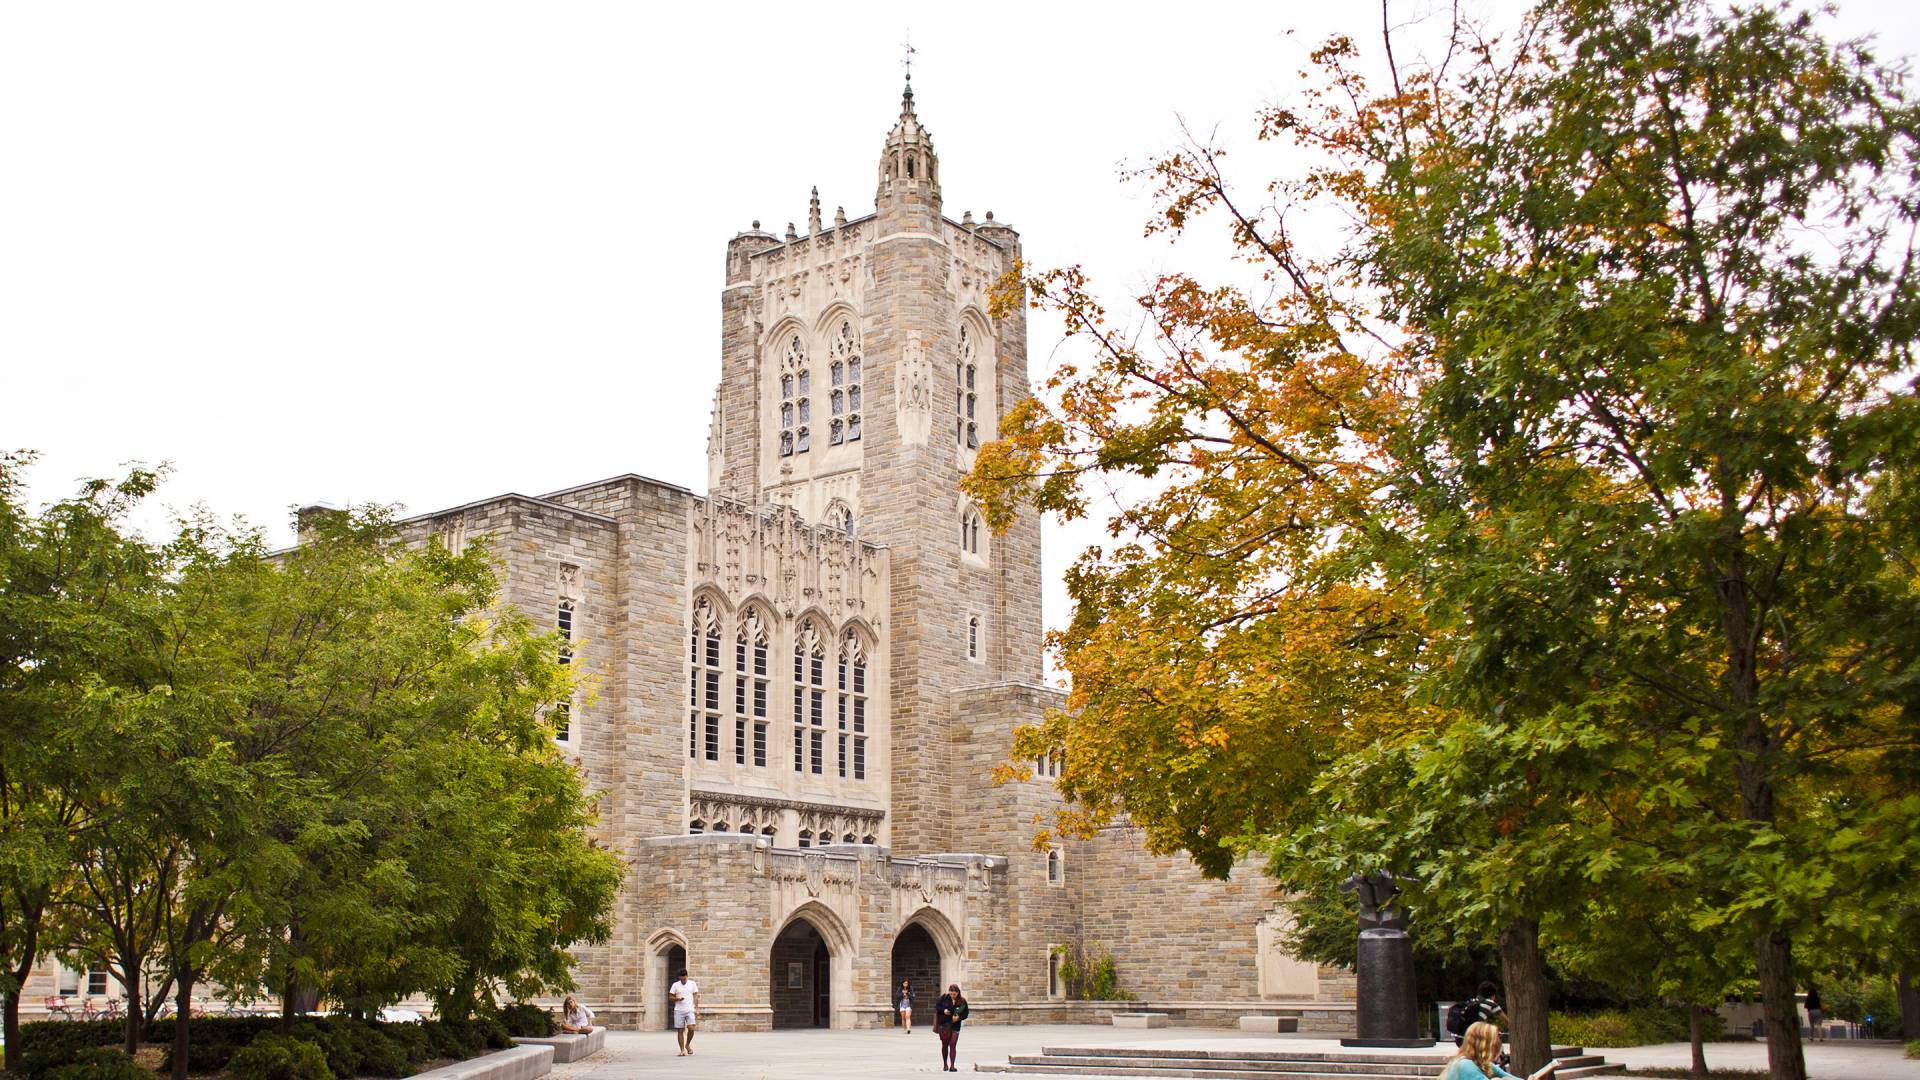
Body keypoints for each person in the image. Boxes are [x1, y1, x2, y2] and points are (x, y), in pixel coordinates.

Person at [1443, 1022, 1555, 1080]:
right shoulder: (1465, 1065)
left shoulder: (1484, 1065)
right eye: (1495, 1044)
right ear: (1485, 1045)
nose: (1498, 1048)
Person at [934, 984, 969, 1073]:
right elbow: (937, 1007)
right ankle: (945, 1064)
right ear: (949, 992)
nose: (952, 995)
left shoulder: (962, 1001)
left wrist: (959, 1017)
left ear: (958, 993)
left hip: (955, 1025)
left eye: (954, 994)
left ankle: (952, 1066)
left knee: (953, 1044)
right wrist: (944, 1010)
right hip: (944, 1025)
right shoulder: (944, 997)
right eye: (951, 993)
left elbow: (966, 1013)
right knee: (945, 1045)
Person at [668, 968, 701, 1056]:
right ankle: (682, 1050)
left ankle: (687, 1044)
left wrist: (697, 1009)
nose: (683, 980)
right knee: (680, 1030)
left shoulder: (692, 984)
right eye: (682, 979)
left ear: (687, 976)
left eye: (685, 979)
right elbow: (670, 997)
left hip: (690, 1009)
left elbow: (696, 997)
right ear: (679, 977)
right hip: (679, 1010)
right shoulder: (675, 985)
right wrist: (677, 999)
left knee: (691, 1028)